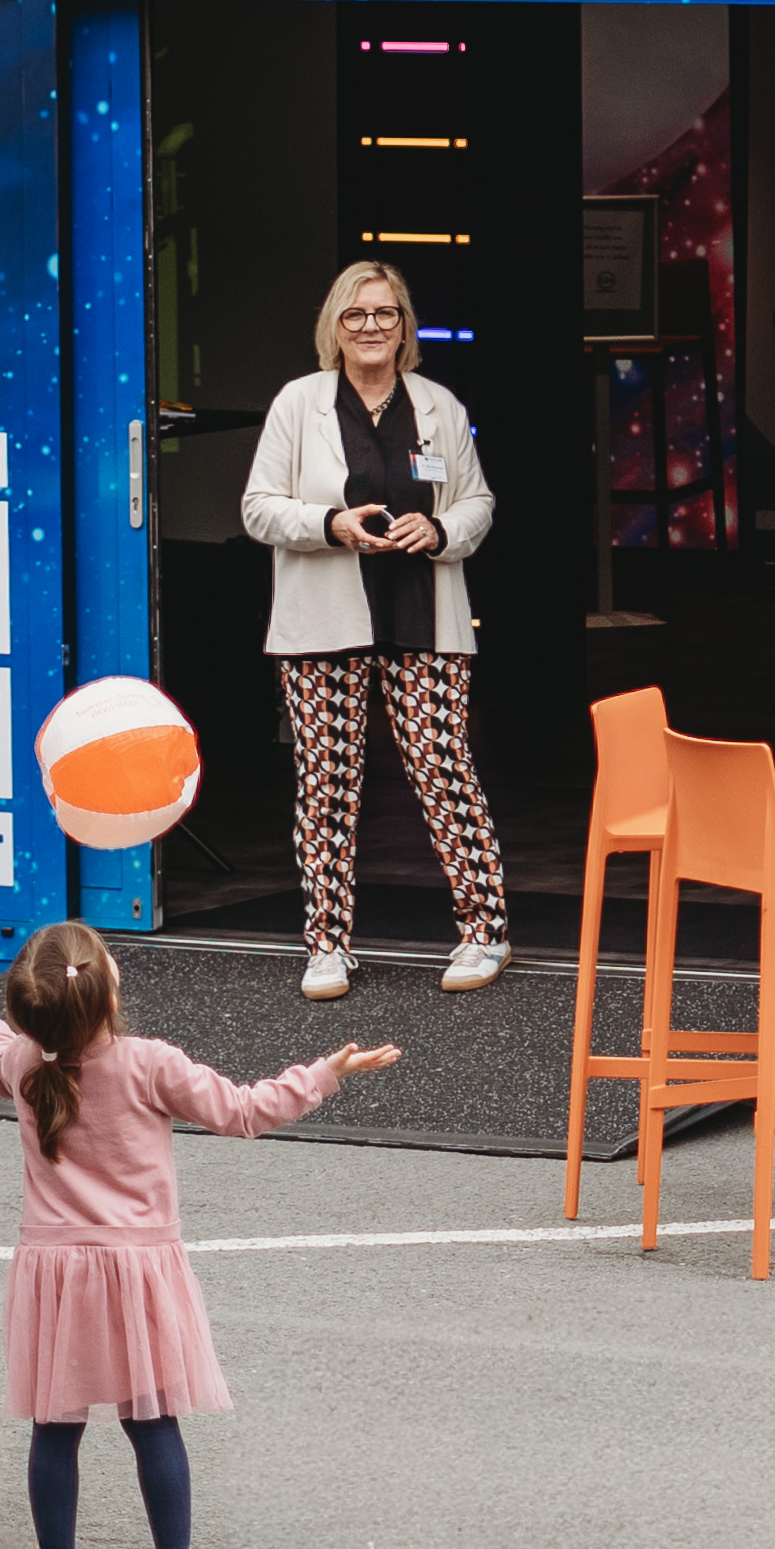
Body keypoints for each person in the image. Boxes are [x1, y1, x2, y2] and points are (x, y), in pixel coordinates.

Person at [0, 924, 394, 1549]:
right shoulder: (149, 1064)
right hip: (140, 1272)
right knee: (153, 1419)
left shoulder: (23, 1063)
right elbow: (243, 1111)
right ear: (109, 992)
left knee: (55, 1424)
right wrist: (325, 1072)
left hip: (56, 1273)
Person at [239, 260, 508, 1000]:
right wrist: (331, 523)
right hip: (323, 624)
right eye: (355, 314)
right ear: (334, 326)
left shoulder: (437, 405)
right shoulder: (300, 403)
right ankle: (327, 947)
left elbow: (478, 501)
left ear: (404, 325)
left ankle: (485, 930)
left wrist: (441, 527)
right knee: (325, 783)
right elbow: (257, 507)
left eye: (385, 313)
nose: (370, 327)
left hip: (423, 617)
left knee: (443, 770)